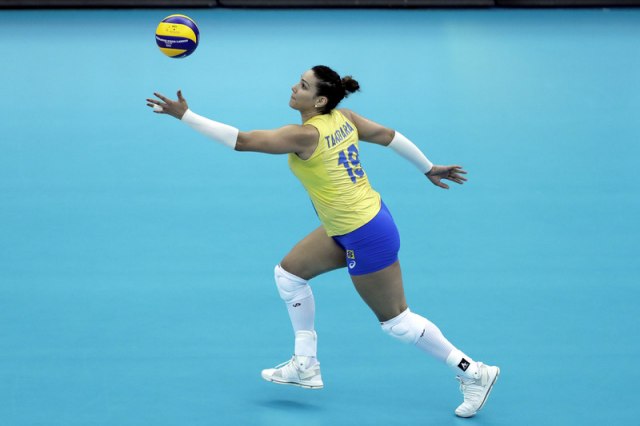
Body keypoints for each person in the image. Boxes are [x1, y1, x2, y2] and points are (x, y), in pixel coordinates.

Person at [146, 65, 499, 418]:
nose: (293, 87)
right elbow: (390, 136)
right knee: (289, 275)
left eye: (303, 85)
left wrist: (185, 115)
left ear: (319, 101)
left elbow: (242, 141)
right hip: (352, 223)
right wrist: (427, 167)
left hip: (367, 234)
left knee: (397, 323)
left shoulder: (304, 136)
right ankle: (305, 364)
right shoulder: (345, 118)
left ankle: (473, 372)